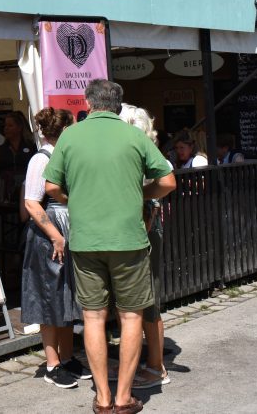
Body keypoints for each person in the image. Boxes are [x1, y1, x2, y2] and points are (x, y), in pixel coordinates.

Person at [44, 80, 176, 414]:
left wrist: (75, 199)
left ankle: (102, 398)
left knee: (93, 317)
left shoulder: (71, 136)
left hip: (86, 240)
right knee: (130, 316)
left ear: (88, 103)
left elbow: (51, 187)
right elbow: (168, 181)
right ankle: (123, 398)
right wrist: (140, 193)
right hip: (128, 240)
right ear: (118, 105)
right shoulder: (134, 136)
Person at [21, 107, 89, 388]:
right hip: (49, 234)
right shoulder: (41, 159)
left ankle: (68, 356)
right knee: (49, 296)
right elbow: (31, 202)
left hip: (67, 229)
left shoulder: (64, 155)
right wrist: (55, 236)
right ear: (63, 131)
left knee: (67, 295)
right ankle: (52, 364)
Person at [119, 104, 172, 390]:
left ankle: (156, 366)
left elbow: (166, 181)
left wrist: (140, 195)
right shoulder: (134, 149)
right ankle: (140, 361)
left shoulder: (142, 150)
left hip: (146, 224)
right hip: (133, 225)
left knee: (148, 299)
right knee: (132, 301)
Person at [0, 110, 36, 205]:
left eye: (10, 125)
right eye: (5, 125)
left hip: (27, 188)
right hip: (4, 190)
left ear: (19, 128)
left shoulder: (32, 145)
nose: (6, 128)